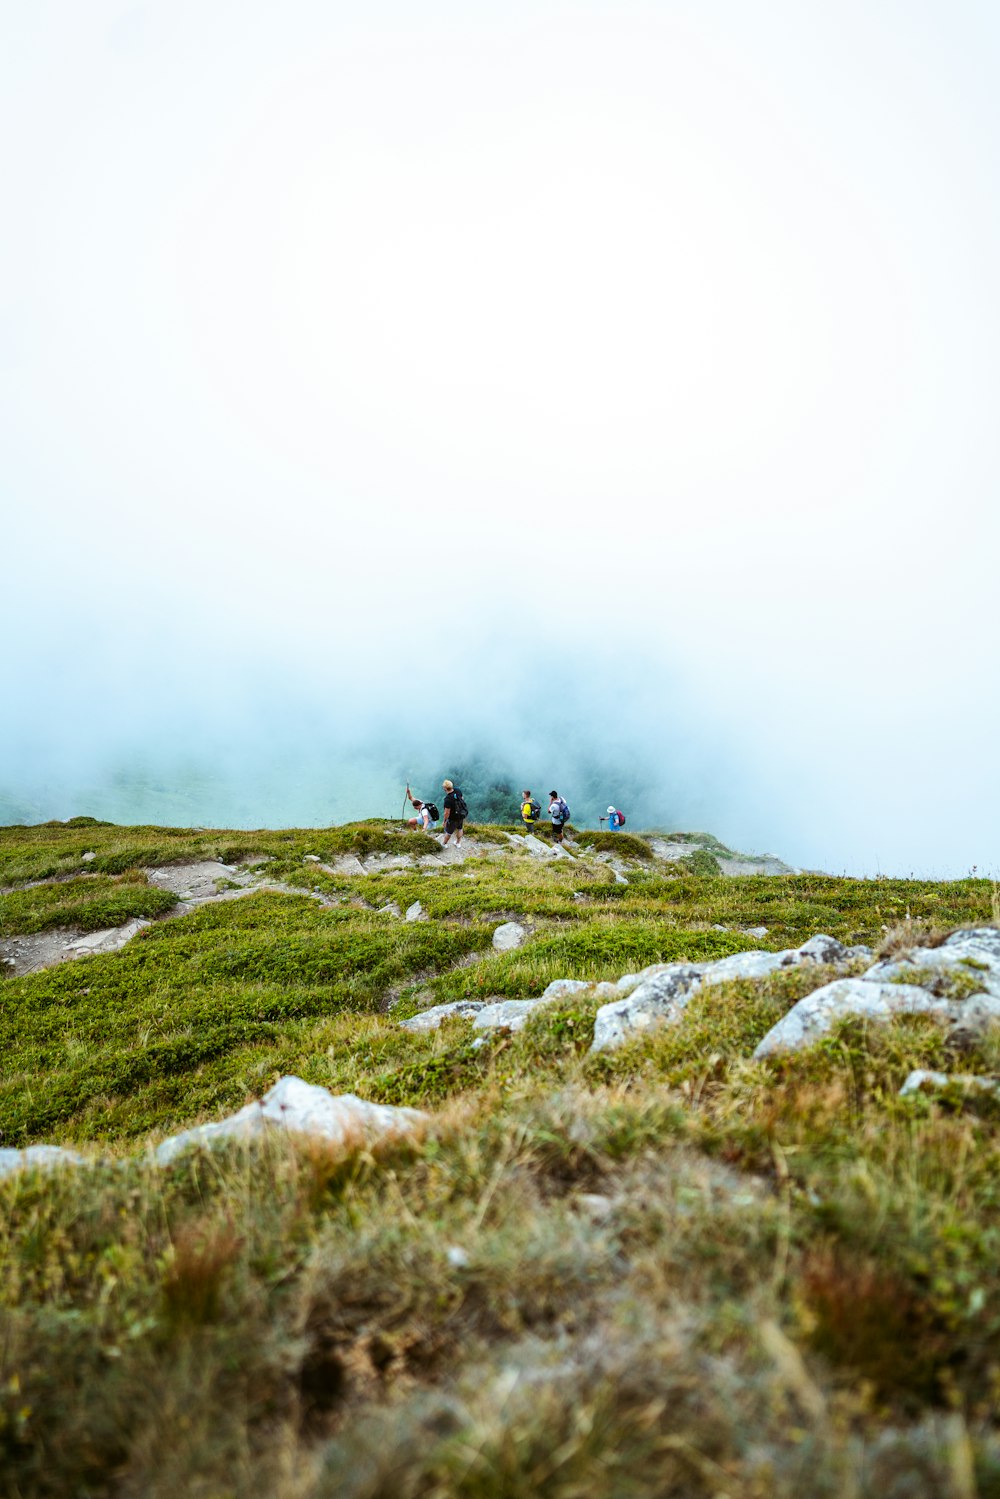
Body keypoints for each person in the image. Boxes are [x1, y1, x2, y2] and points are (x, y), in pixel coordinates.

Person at [441, 779, 468, 847]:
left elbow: (447, 813)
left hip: (453, 818)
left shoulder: (447, 799)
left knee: (449, 832)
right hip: (461, 814)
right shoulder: (457, 790)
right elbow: (462, 799)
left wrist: (444, 821)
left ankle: (444, 844)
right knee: (460, 828)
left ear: (445, 788)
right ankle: (458, 843)